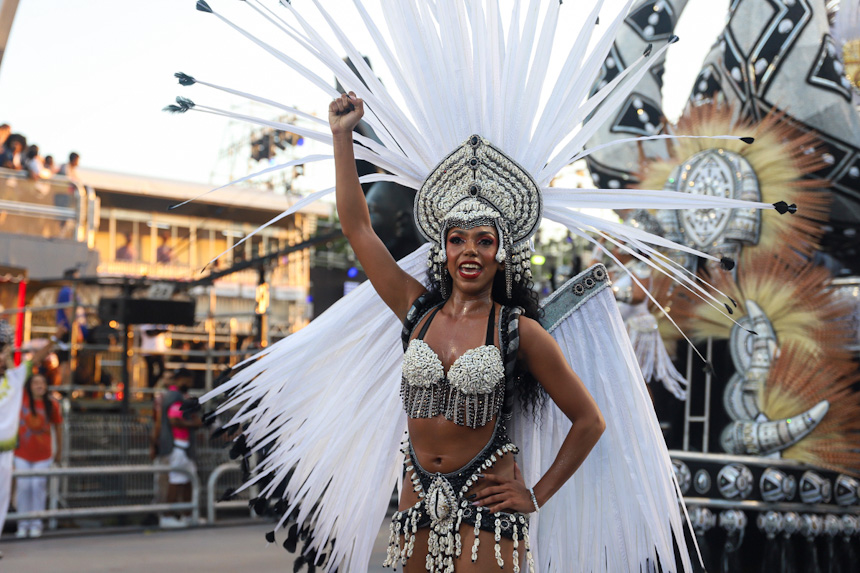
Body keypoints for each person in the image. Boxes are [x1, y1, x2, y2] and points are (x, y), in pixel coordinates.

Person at [329, 93, 605, 571]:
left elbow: (589, 421)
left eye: (484, 240)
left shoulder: (518, 330)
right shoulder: (418, 311)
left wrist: (535, 495)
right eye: (457, 239)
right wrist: (342, 137)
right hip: (416, 501)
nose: (469, 251)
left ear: (502, 252)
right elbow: (358, 229)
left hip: (486, 505)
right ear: (443, 249)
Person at [0, 322, 62, 545]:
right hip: (14, 453)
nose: (1, 358)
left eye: (3, 353)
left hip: (7, 452)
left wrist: (55, 338)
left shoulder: (15, 379)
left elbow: (36, 358)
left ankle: (25, 527)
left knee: (5, 498)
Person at [14, 372, 63, 538]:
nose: (39, 386)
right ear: (30, 386)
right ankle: (22, 524)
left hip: (43, 454)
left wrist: (59, 451)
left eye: (42, 383)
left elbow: (58, 427)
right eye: (36, 383)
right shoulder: (22, 400)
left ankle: (36, 523)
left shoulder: (52, 405)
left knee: (37, 487)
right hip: (22, 453)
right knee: (23, 487)